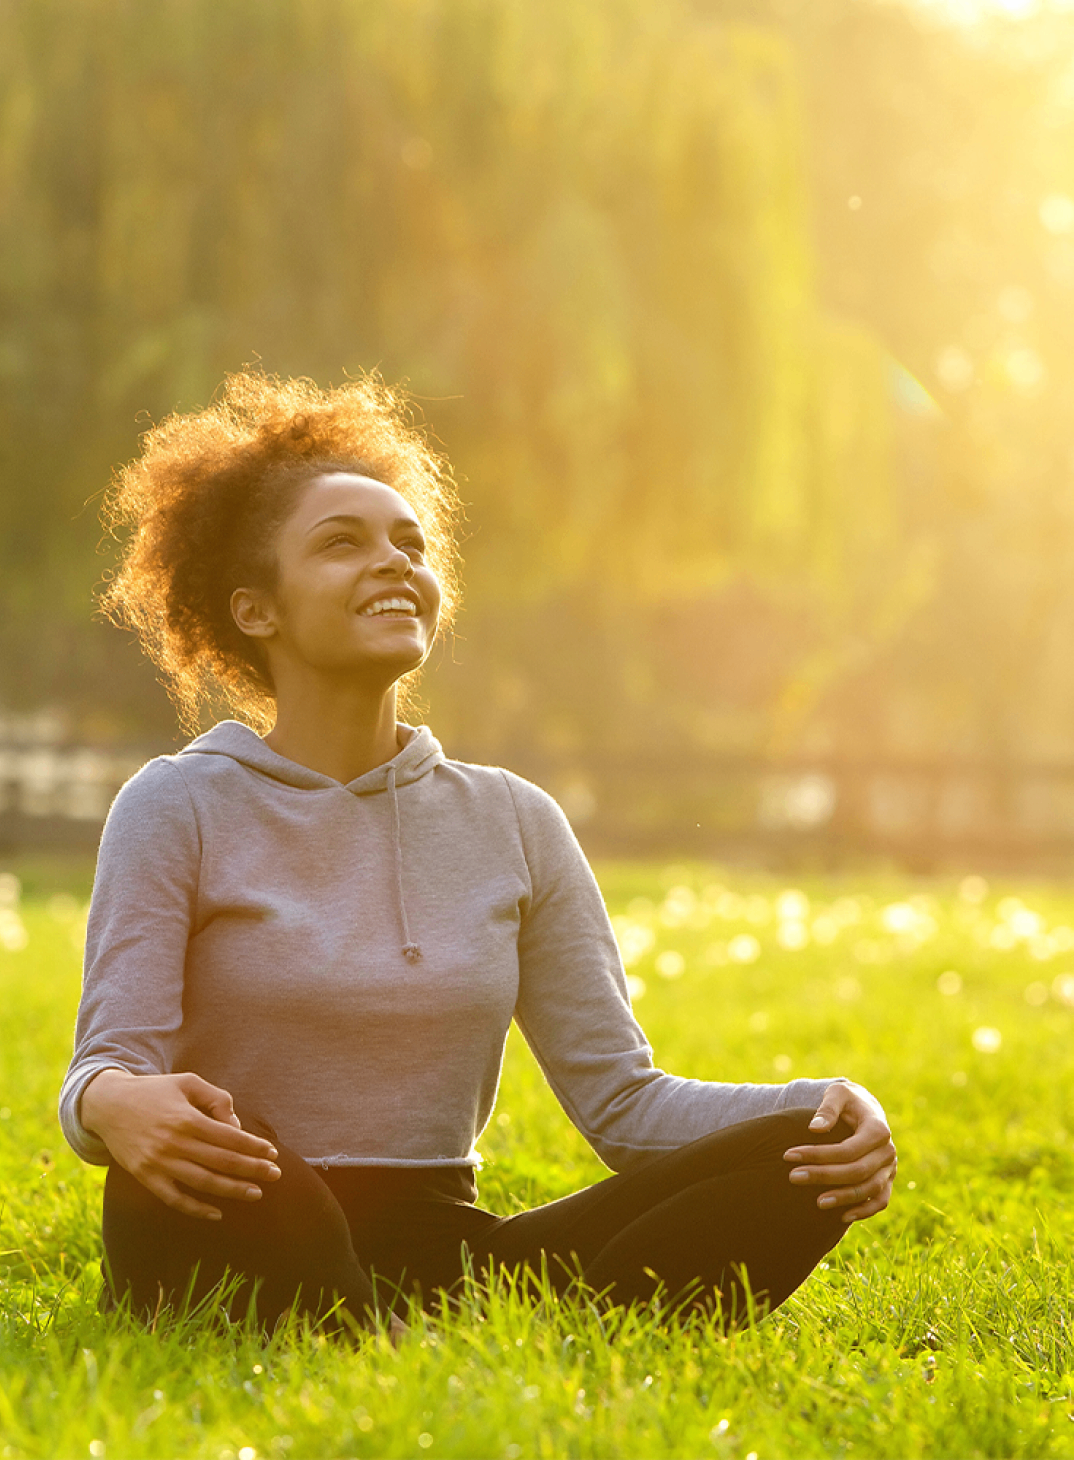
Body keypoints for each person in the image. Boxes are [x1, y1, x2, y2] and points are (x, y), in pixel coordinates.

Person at [58, 370, 896, 1330]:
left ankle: (381, 1327)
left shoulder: (514, 819)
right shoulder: (177, 804)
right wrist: (111, 1107)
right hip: (241, 1207)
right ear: (258, 610)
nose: (392, 563)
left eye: (409, 544)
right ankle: (369, 1329)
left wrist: (833, 1103)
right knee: (250, 1167)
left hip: (443, 1249)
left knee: (800, 1153)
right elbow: (108, 1067)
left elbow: (624, 1103)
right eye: (343, 545)